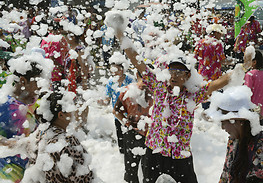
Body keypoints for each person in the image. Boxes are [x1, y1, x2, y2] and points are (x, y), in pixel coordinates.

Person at [108, 11, 253, 183]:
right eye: (172, 71)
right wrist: (119, 34)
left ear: (187, 76)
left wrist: (242, 69)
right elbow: (137, 61)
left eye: (180, 72)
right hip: (155, 150)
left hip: (180, 154)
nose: (174, 75)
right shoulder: (159, 87)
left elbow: (216, 84)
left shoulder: (193, 94)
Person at [0, 54, 52, 182]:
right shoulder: (2, 106)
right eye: (37, 82)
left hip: (31, 173)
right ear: (23, 81)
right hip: (9, 175)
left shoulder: (31, 102)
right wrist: (21, 145)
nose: (40, 87)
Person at [23, 91, 94, 183]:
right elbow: (82, 178)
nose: (74, 111)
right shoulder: (67, 142)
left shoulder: (38, 134)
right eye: (70, 108)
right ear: (61, 115)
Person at [206, 86, 263, 183]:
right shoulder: (233, 140)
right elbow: (226, 173)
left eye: (224, 123)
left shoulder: (260, 144)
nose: (222, 128)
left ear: (237, 121)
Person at [113, 74, 153, 183]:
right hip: (145, 134)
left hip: (140, 134)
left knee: (137, 169)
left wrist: (127, 123)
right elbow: (116, 111)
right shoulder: (155, 92)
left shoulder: (129, 90)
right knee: (144, 170)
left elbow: (116, 111)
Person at [98, 51, 134, 154]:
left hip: (129, 116)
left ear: (122, 70)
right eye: (112, 70)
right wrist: (101, 102)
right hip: (117, 115)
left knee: (130, 141)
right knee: (121, 141)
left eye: (116, 70)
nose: (113, 72)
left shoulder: (130, 81)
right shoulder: (111, 82)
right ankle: (122, 160)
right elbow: (107, 100)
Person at [40, 19, 69, 90]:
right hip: (56, 73)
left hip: (46, 70)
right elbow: (52, 57)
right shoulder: (56, 40)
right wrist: (61, 68)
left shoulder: (45, 39)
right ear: (59, 29)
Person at [244, 50, 263, 119]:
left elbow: (246, 92)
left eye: (247, 60)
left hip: (253, 109)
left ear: (254, 62)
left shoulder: (250, 74)